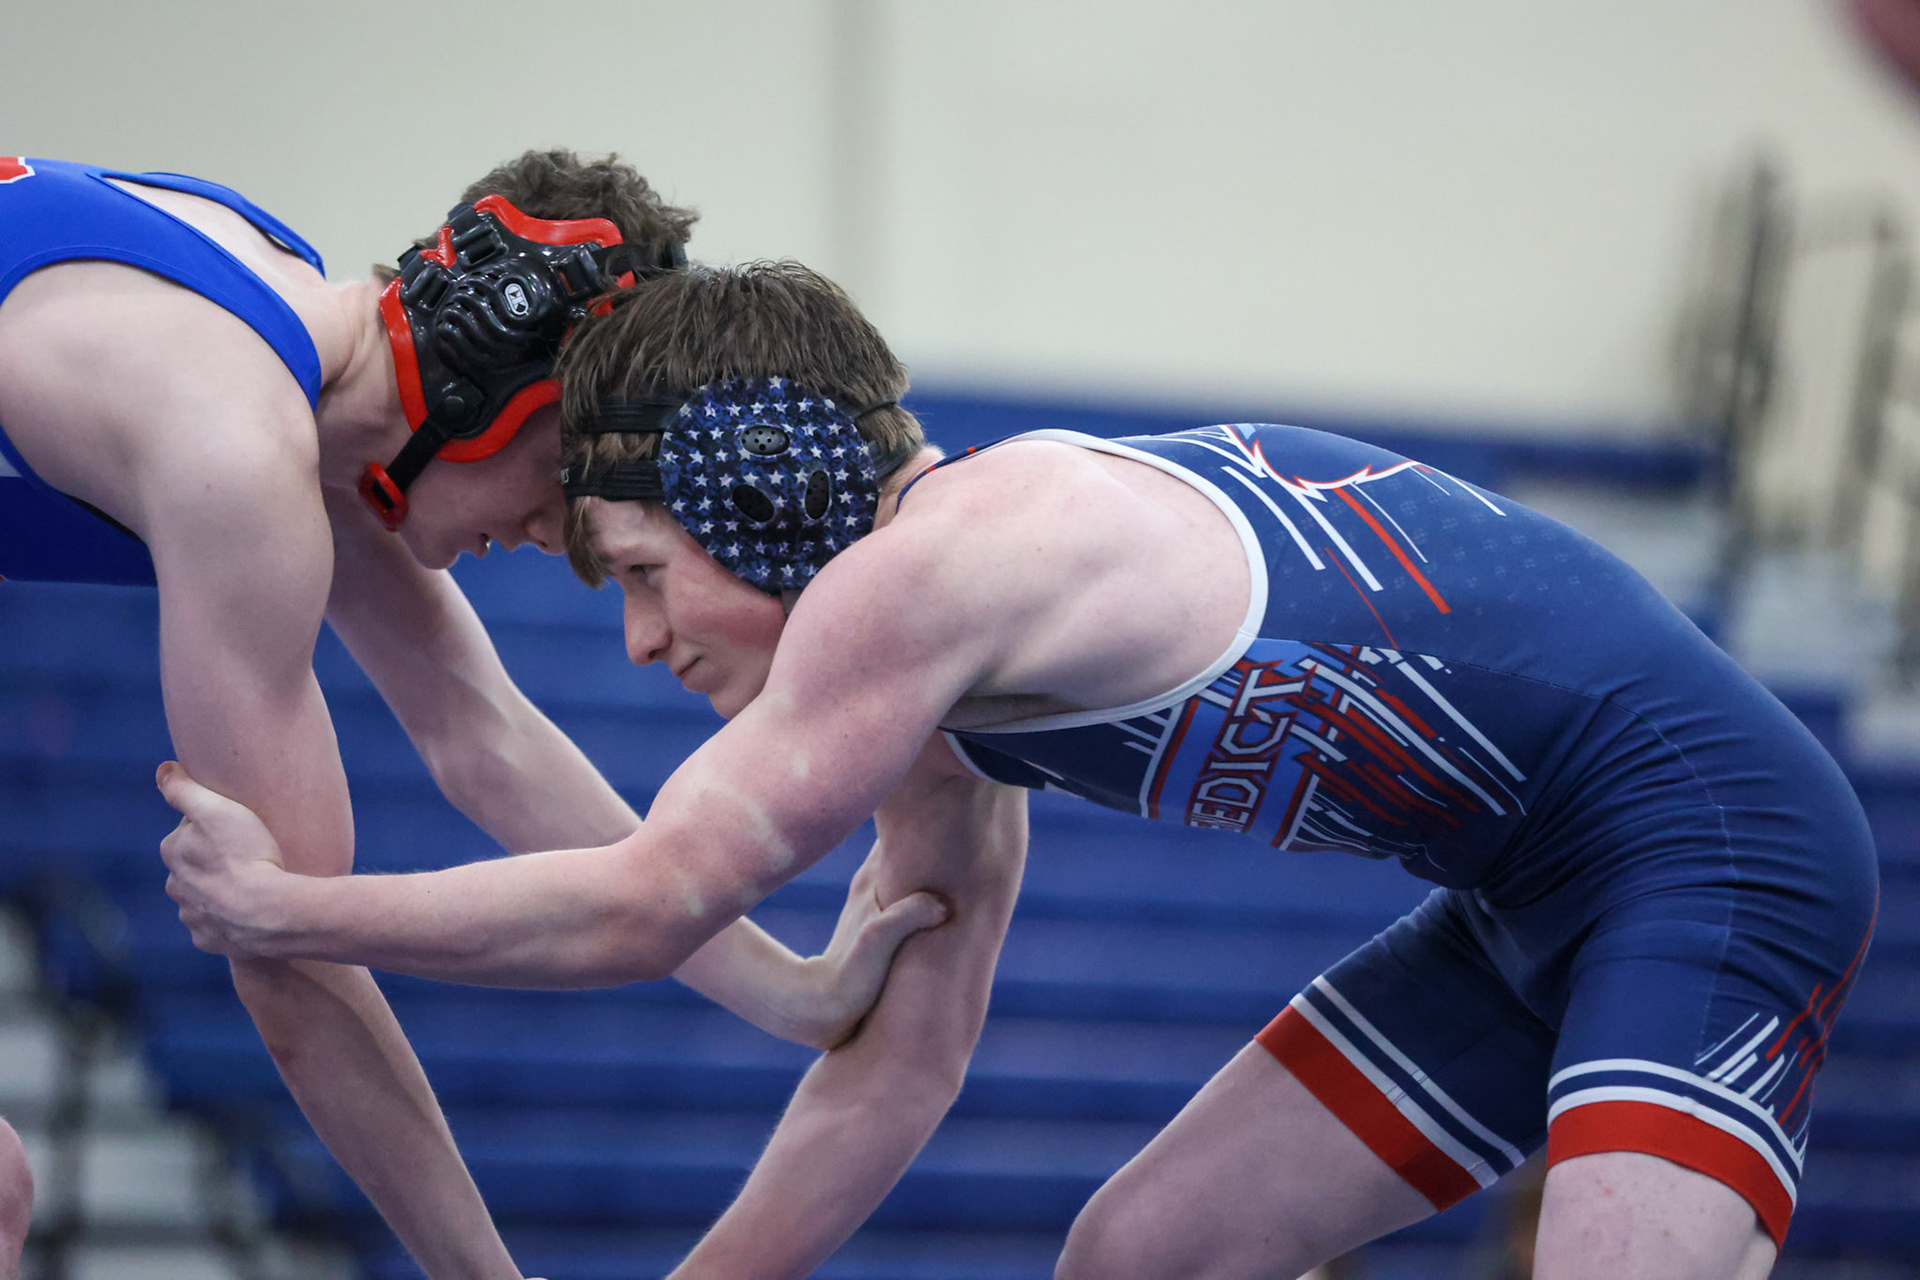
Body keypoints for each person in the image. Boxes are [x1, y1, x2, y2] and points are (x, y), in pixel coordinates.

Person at [155, 260, 1880, 1280]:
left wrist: (291, 911)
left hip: (1716, 853)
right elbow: (900, 1065)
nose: (640, 642)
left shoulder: (940, 569)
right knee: (1138, 1258)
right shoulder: (939, 674)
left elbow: (649, 896)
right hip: (1529, 896)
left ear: (764, 496)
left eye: (644, 570)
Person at [0, 162, 945, 1279]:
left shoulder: (276, 320)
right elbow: (284, 953)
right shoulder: (232, 446)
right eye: (564, 475)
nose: (563, 531)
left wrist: (788, 989)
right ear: (487, 386)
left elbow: (479, 731)